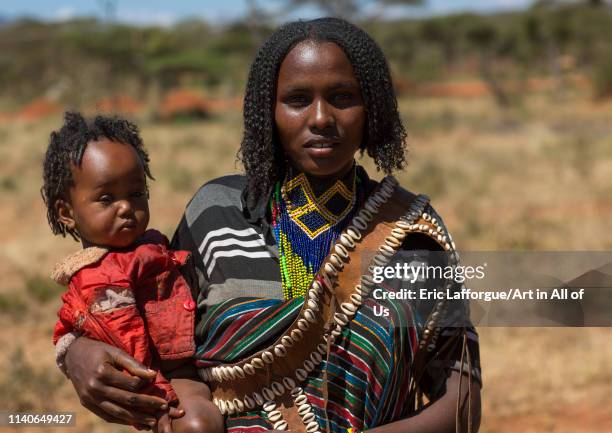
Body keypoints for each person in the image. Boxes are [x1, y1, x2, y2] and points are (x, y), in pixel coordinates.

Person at [59, 18, 482, 433]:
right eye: (298, 100)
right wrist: (76, 352)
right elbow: (144, 314)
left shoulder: (409, 232)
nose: (321, 117)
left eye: (343, 96)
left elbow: (462, 402)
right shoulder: (215, 211)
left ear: (372, 106)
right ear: (269, 112)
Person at [42, 112, 224, 433]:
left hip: (195, 359)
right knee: (197, 424)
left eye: (136, 193)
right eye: (107, 198)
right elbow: (92, 337)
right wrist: (160, 397)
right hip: (163, 379)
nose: (126, 207)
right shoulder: (91, 277)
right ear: (66, 213)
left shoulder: (153, 245)